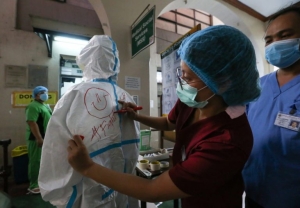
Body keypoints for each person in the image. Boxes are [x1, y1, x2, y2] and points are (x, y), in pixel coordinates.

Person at [67, 25, 261, 208]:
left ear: (224, 83)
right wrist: (137, 117)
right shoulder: (194, 100)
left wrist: (88, 168)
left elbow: (153, 191)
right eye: (181, 73)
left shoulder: (227, 141)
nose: (182, 82)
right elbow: (169, 123)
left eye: (190, 78)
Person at [38, 35, 140, 208]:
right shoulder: (126, 95)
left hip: (90, 190)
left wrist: (59, 194)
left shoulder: (75, 94)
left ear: (87, 59)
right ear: (115, 61)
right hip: (126, 186)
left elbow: (56, 149)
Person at [242, 5, 300, 208]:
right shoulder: (259, 85)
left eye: (284, 36)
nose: (275, 44)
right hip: (254, 191)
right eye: (269, 40)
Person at [25, 86, 52, 194]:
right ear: (36, 94)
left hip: (46, 137)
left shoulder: (44, 106)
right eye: (41, 92)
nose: (45, 94)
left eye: (45, 92)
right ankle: (33, 185)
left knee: (43, 161)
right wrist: (39, 138)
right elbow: (32, 122)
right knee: (35, 161)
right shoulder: (32, 106)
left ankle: (42, 182)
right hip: (36, 138)